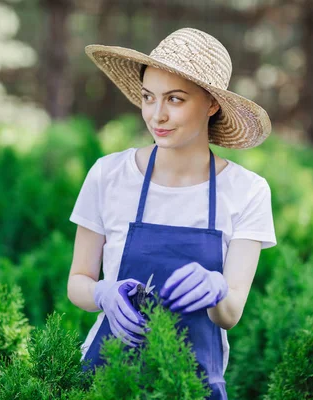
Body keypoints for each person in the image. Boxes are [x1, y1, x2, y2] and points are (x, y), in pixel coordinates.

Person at [67, 27, 277, 400]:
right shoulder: (108, 174)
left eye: (175, 100)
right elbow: (77, 280)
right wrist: (102, 293)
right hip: (107, 380)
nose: (156, 115)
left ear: (212, 104)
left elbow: (230, 313)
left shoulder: (248, 191)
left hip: (192, 387)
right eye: (148, 97)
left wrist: (216, 291)